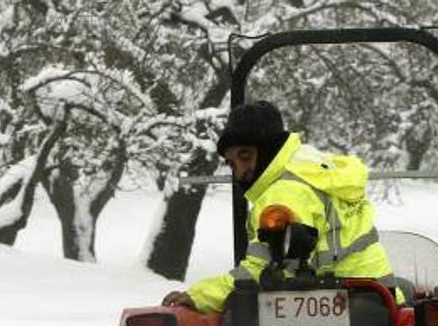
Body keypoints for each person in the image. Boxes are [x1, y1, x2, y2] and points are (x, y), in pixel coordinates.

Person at [163, 100, 400, 312]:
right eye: (232, 163)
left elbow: (260, 273)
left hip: (341, 307)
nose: (240, 172)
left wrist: (198, 296)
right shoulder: (313, 168)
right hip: (378, 297)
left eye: (245, 157)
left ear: (267, 150)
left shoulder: (285, 193)